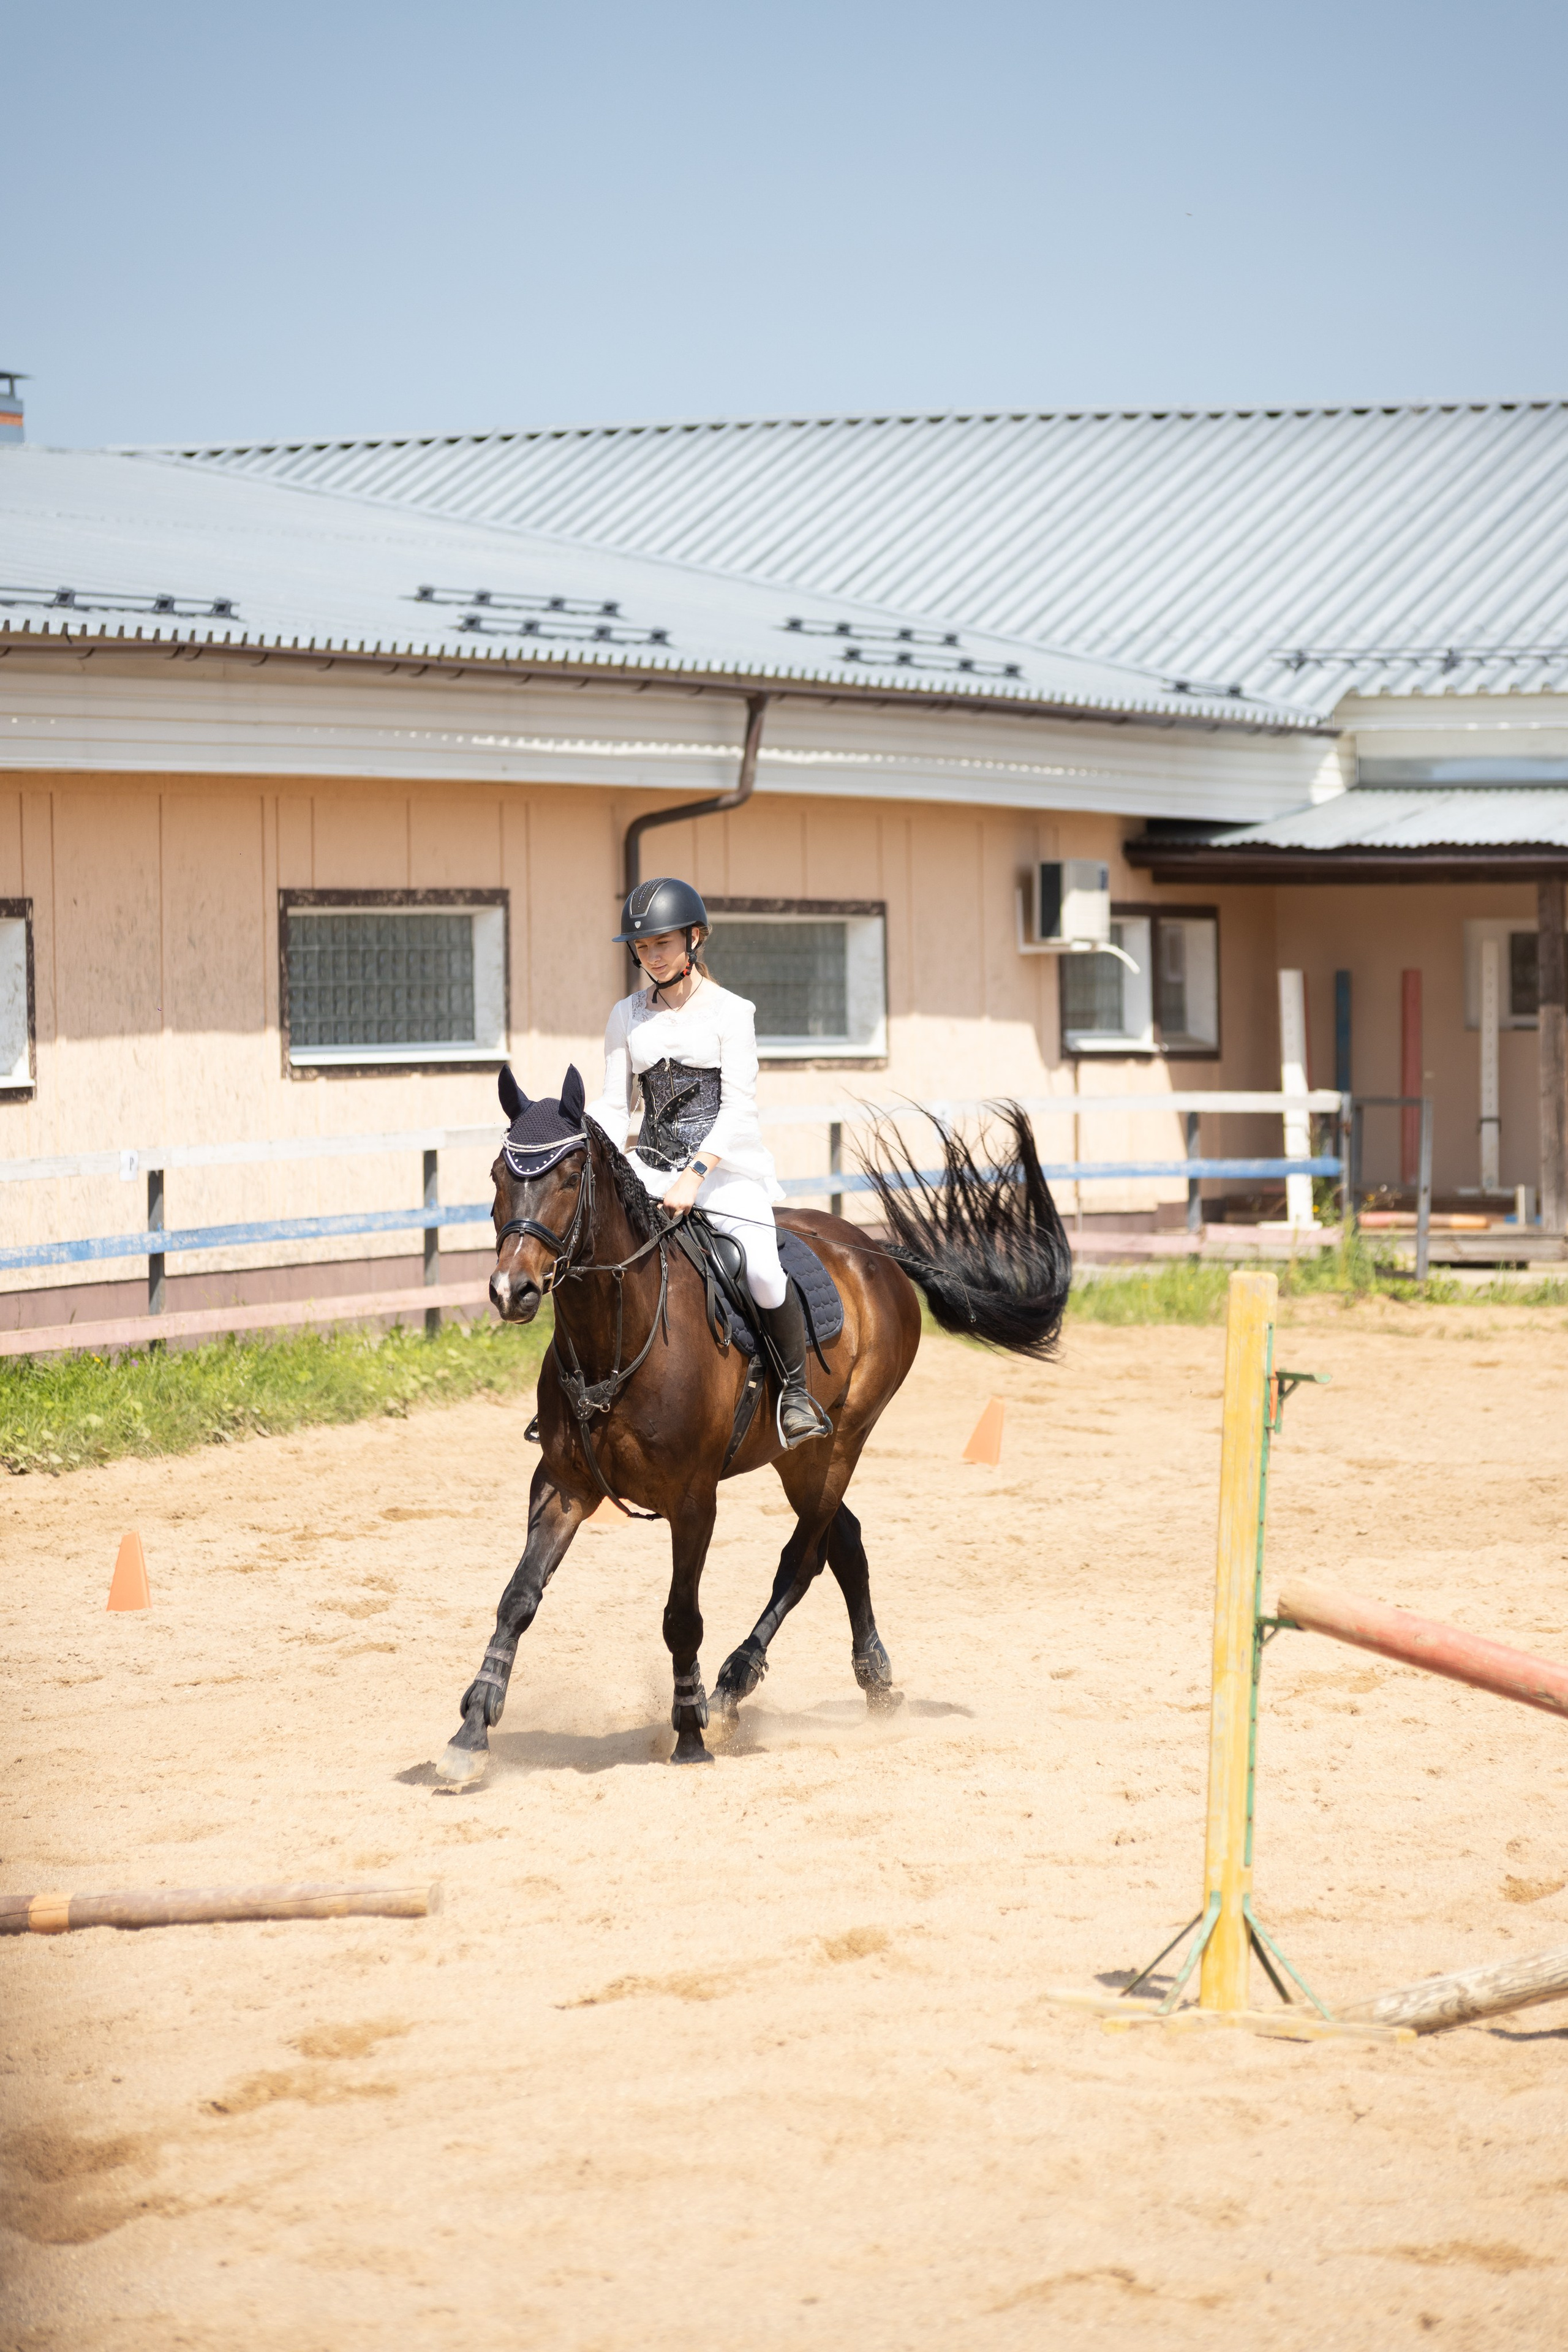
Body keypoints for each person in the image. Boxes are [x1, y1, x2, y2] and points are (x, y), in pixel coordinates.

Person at [584, 875, 832, 1450]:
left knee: (764, 1270)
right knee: (591, 1254)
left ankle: (794, 1392)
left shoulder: (732, 1011)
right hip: (647, 1163)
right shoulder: (625, 1015)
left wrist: (695, 1176)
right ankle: (571, 1390)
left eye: (662, 943)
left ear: (695, 939)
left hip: (724, 1169)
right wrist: (590, 1150)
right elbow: (616, 1103)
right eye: (642, 947)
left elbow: (740, 1107)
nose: (651, 955)